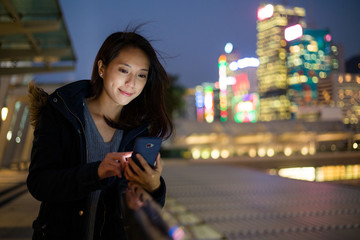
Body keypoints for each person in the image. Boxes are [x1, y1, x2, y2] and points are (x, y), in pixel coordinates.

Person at [27, 29, 174, 240]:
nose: (131, 83)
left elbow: (139, 213)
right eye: (124, 70)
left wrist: (154, 187)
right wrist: (95, 173)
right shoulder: (63, 113)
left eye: (141, 75)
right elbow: (39, 184)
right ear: (102, 68)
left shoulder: (139, 130)